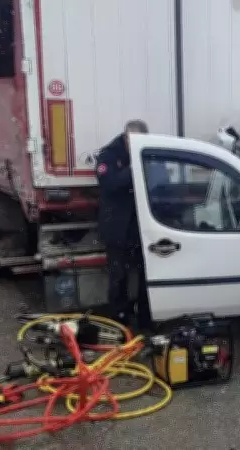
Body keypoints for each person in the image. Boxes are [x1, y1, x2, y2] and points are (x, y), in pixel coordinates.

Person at [95, 120, 153, 331]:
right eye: (133, 141)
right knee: (118, 277)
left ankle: (146, 320)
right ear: (126, 137)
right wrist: (134, 168)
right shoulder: (109, 155)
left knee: (147, 277)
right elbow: (110, 183)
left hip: (141, 228)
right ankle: (118, 322)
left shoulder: (148, 152)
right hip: (117, 227)